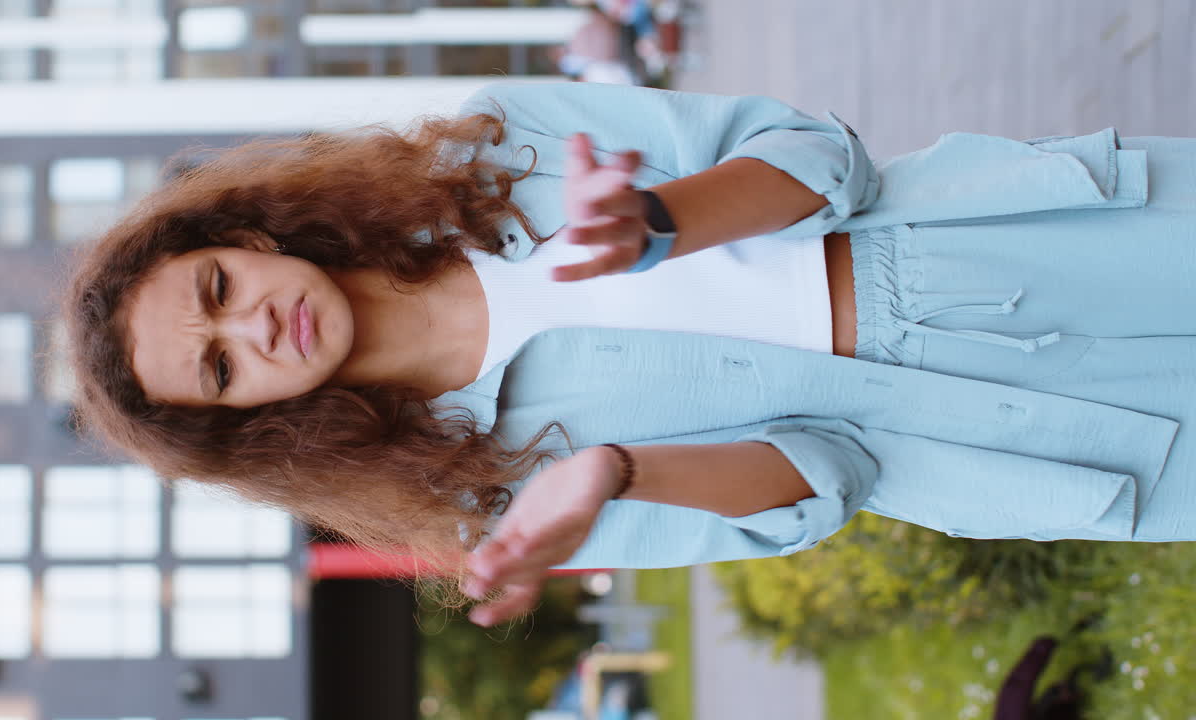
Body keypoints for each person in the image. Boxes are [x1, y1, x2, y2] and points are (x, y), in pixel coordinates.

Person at [63, 81, 1196, 627]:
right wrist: (617, 477)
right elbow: (822, 476)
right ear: (242, 419)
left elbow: (815, 155)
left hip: (1001, 242)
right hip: (982, 434)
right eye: (219, 367)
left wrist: (662, 220)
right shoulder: (475, 491)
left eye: (218, 291)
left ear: (243, 238)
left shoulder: (495, 146)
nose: (252, 328)